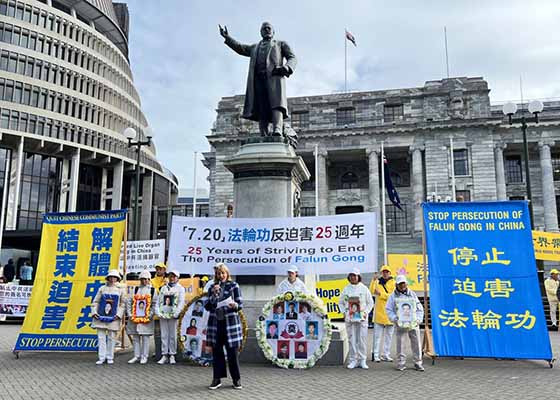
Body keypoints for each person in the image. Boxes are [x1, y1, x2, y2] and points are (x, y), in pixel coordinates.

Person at [219, 22, 297, 138]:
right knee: (262, 107)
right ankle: (263, 134)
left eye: (269, 28)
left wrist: (286, 67)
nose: (266, 30)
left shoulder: (280, 44)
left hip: (274, 79)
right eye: (264, 29)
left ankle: (277, 130)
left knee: (277, 105)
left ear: (273, 31)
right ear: (261, 32)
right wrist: (228, 38)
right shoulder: (254, 47)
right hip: (258, 80)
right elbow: (241, 48)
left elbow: (292, 57)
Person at [205, 264, 243, 390]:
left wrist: (234, 305)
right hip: (216, 324)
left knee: (232, 353)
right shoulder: (212, 287)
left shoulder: (234, 286)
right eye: (218, 274)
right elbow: (208, 306)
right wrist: (214, 295)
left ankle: (236, 379)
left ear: (227, 273)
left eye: (223, 273)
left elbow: (240, 304)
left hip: (230, 324)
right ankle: (217, 379)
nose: (221, 276)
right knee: (217, 352)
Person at [386, 275, 425, 372]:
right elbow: (389, 309)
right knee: (400, 344)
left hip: (413, 323)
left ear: (406, 284)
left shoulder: (412, 294)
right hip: (400, 324)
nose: (402, 286)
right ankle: (401, 363)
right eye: (400, 284)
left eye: (404, 283)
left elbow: (419, 308)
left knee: (416, 343)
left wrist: (418, 319)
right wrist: (395, 319)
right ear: (396, 285)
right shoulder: (392, 296)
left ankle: (418, 362)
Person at [338, 268, 374, 370]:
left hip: (361, 318)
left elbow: (370, 303)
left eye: (355, 275)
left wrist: (366, 312)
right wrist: (344, 312)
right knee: (351, 339)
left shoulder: (364, 288)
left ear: (359, 277)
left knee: (362, 339)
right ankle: (353, 359)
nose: (353, 277)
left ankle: (362, 360)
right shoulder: (346, 289)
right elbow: (340, 302)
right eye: (351, 276)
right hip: (350, 319)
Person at [91, 270, 125, 365]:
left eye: (114, 277)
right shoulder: (102, 288)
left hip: (113, 318)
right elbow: (96, 301)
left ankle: (110, 356)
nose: (112, 279)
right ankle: (101, 357)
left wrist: (118, 315)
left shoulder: (120, 290)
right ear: (108, 278)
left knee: (111, 337)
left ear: (117, 278)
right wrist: (94, 312)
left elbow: (123, 304)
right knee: (101, 337)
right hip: (100, 317)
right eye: (111, 277)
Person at [155, 270, 185, 365]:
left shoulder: (180, 289)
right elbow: (158, 301)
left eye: (174, 276)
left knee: (173, 335)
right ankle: (164, 354)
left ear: (177, 278)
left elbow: (181, 302)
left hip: (173, 316)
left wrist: (176, 313)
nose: (172, 278)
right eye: (170, 276)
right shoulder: (163, 288)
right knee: (164, 334)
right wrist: (158, 312)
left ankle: (172, 354)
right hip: (163, 315)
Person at [126, 270, 156, 364]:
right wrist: (130, 314)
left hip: (146, 318)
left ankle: (144, 356)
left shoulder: (153, 290)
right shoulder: (135, 289)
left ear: (149, 279)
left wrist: (150, 315)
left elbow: (155, 304)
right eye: (142, 279)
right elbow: (129, 302)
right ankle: (136, 355)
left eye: (146, 279)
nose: (144, 281)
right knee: (135, 336)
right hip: (135, 318)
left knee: (145, 337)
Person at [370, 265, 396, 362]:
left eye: (387, 272)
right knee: (377, 336)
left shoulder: (394, 282)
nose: (385, 273)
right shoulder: (377, 282)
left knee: (389, 336)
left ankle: (386, 354)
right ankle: (376, 354)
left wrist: (381, 294)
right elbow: (372, 291)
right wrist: (373, 280)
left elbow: (393, 296)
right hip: (379, 312)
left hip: (390, 313)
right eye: (383, 272)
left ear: (390, 273)